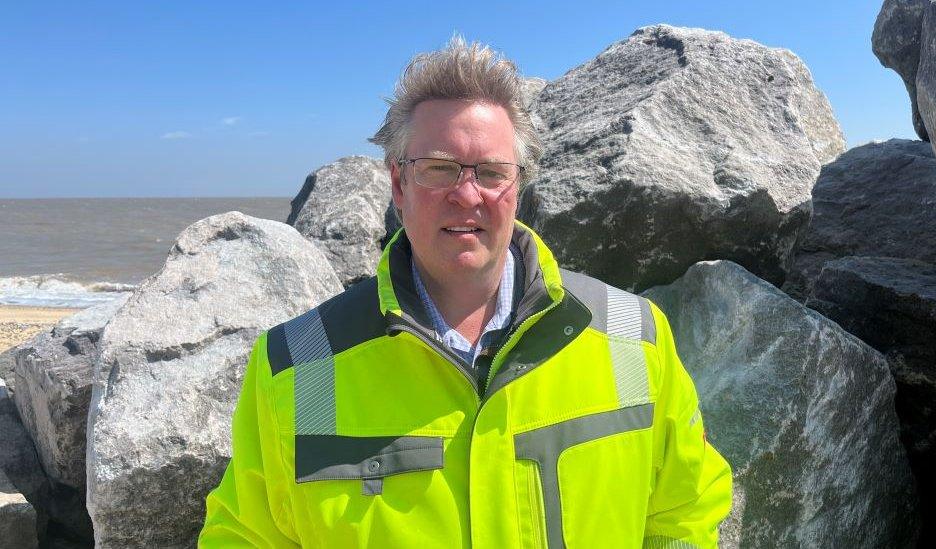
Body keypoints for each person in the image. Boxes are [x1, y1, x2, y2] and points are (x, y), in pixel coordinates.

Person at [198, 37, 732, 549]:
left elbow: (685, 507)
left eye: (492, 172)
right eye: (439, 169)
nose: (466, 194)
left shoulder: (633, 337)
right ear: (399, 185)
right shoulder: (297, 366)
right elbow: (247, 537)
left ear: (517, 185)